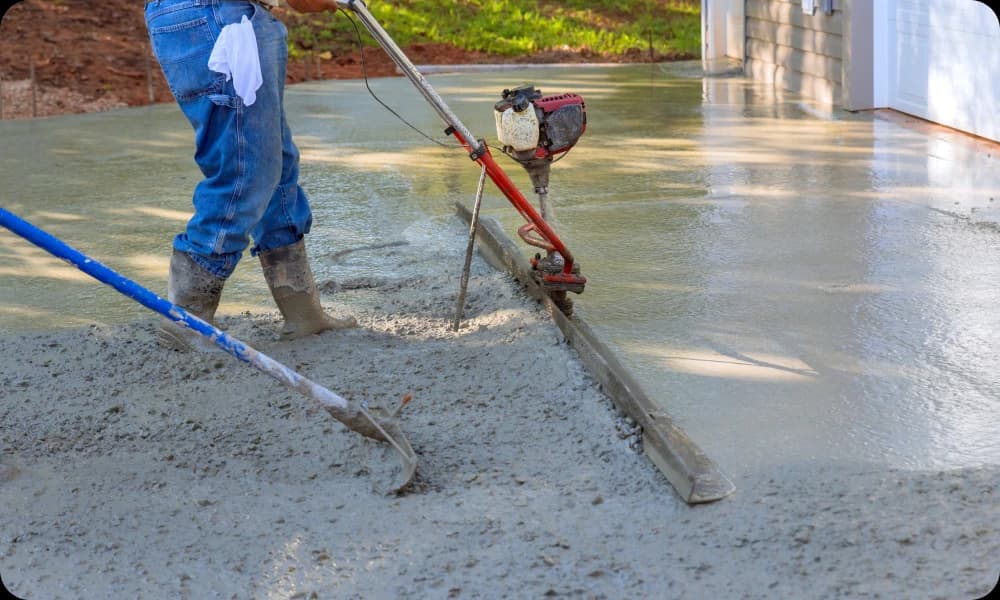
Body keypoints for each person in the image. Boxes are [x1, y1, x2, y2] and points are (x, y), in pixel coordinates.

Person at [144, 0, 354, 350]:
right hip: (212, 15)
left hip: (233, 14)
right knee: (247, 164)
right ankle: (186, 319)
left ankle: (303, 312)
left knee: (275, 159)